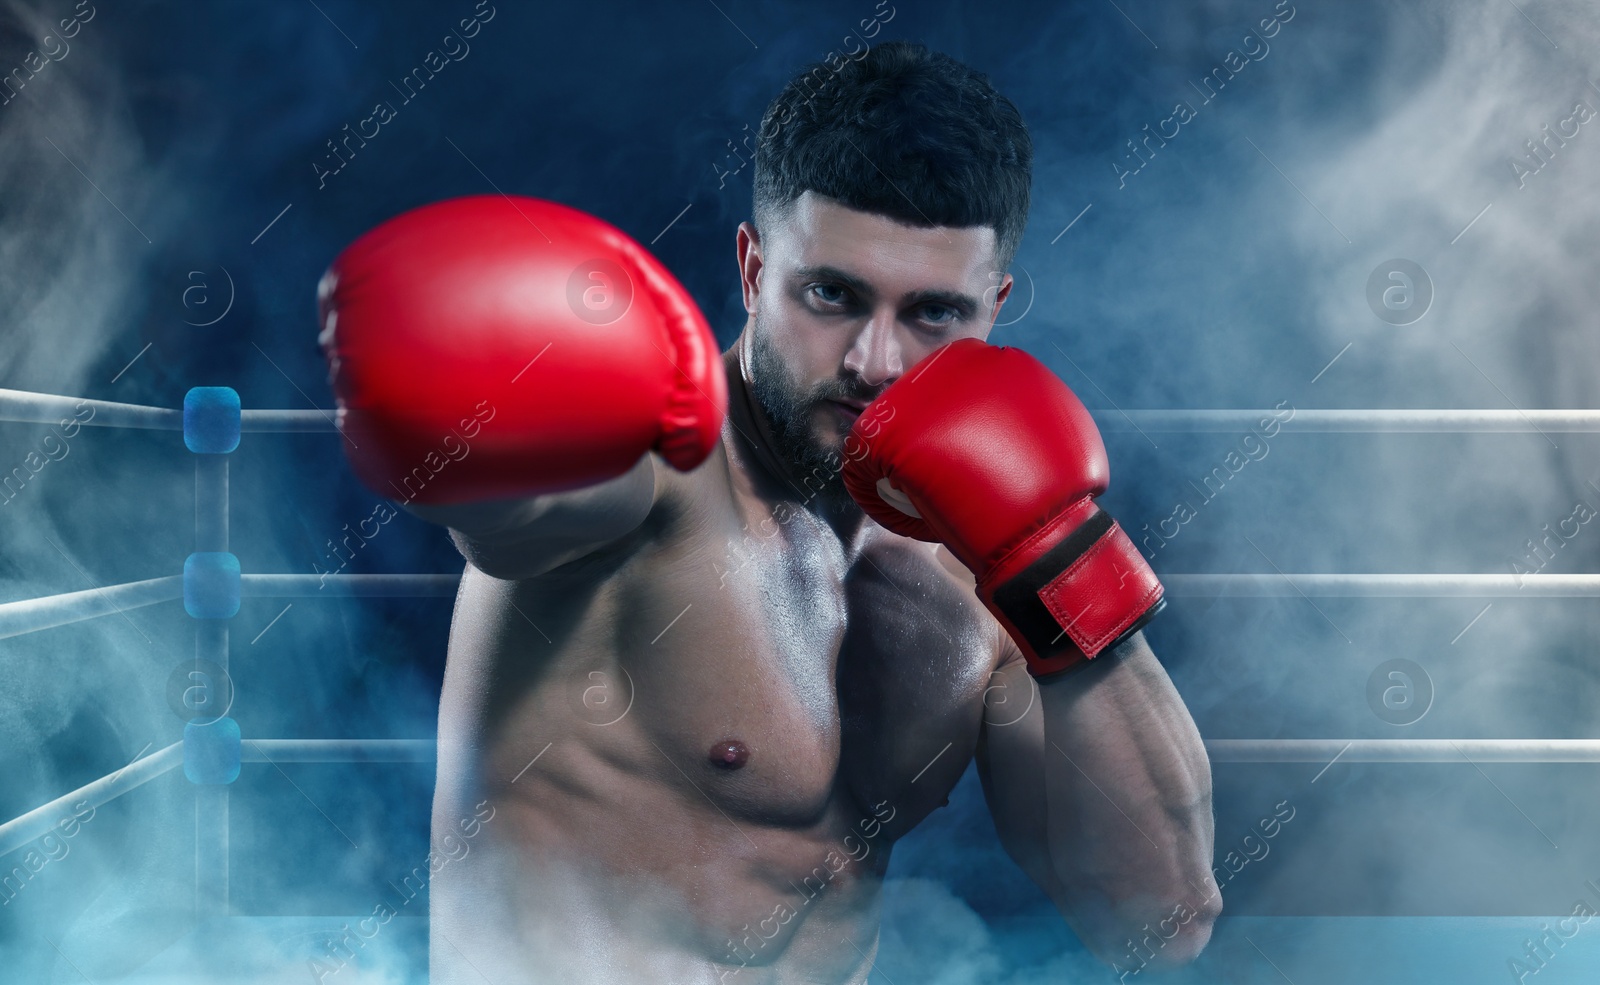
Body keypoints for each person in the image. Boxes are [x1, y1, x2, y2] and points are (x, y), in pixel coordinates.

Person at [317, 40, 1219, 985]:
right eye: (832, 294)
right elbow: (514, 503)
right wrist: (452, 406)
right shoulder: (651, 472)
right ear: (752, 269)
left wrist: (1060, 552)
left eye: (933, 315)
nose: (875, 361)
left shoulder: (984, 571)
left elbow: (1161, 919)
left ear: (994, 307)